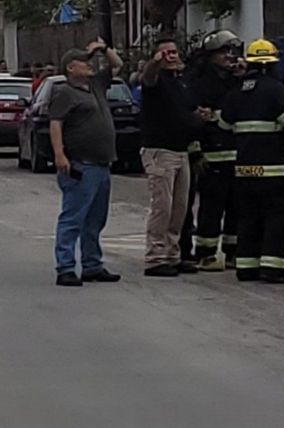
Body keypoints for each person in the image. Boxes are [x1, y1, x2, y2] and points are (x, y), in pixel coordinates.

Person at [220, 39, 284, 284]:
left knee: (248, 220)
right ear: (272, 64)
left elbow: (223, 126)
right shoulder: (277, 90)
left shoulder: (237, 92)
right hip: (275, 174)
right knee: (278, 220)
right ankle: (273, 268)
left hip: (244, 173)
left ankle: (246, 267)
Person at [49, 40, 124, 287]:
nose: (89, 64)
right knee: (73, 217)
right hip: (81, 164)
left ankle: (92, 264)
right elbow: (56, 124)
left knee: (95, 218)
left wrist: (102, 50)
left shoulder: (95, 86)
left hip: (102, 164)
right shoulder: (64, 92)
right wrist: (59, 154)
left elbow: (117, 65)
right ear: (71, 68)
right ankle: (66, 266)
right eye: (84, 61)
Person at [140, 38, 207, 277]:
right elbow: (147, 77)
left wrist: (199, 116)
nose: (172, 56)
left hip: (181, 150)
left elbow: (186, 113)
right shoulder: (156, 81)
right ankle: (155, 258)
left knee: (180, 207)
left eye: (174, 52)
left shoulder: (182, 84)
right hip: (160, 151)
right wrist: (154, 63)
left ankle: (172, 254)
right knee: (162, 206)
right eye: (165, 52)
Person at [190, 30, 244, 271]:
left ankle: (233, 252)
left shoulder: (237, 81)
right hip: (211, 156)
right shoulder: (199, 82)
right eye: (224, 52)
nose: (230, 56)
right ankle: (205, 253)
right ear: (210, 55)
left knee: (236, 207)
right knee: (211, 208)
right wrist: (196, 152)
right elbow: (192, 121)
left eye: (232, 51)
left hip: (237, 155)